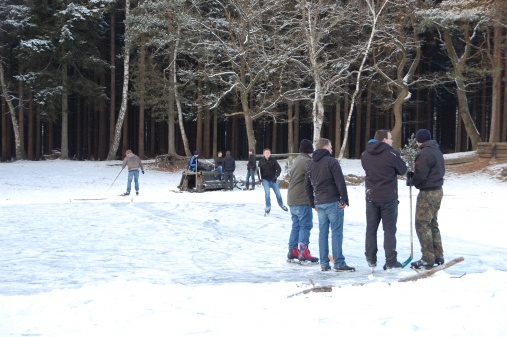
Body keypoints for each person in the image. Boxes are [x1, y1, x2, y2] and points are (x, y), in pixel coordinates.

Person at [305, 138, 354, 272]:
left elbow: (307, 186)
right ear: (326, 148)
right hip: (332, 202)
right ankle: (338, 262)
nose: (332, 150)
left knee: (323, 233)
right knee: (336, 232)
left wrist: (312, 202)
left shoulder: (311, 165)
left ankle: (324, 263)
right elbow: (340, 181)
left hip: (320, 203)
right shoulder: (332, 162)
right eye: (331, 147)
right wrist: (344, 199)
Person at [361, 130, 408, 270]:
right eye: (391, 139)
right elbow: (402, 169)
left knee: (371, 229)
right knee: (389, 230)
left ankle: (371, 259)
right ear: (384, 140)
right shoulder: (391, 154)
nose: (392, 141)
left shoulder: (365, 155)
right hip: (388, 197)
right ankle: (391, 261)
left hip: (371, 196)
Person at [407, 129, 445, 269]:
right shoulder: (436, 151)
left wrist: (413, 181)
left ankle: (428, 257)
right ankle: (438, 254)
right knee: (432, 223)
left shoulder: (424, 153)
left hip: (428, 192)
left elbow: (421, 175)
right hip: (438, 190)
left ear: (418, 140)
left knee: (422, 224)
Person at [287, 139, 318, 263]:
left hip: (292, 198)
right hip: (301, 199)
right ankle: (303, 251)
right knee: (305, 225)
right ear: (310, 151)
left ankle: (293, 250)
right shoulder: (307, 161)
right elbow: (314, 177)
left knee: (296, 226)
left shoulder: (297, 160)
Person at [258, 148, 288, 214]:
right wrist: (260, 178)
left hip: (273, 179)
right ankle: (268, 206)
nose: (267, 154)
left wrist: (275, 176)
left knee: (278, 193)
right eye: (266, 153)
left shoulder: (273, 160)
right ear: (263, 154)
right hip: (265, 179)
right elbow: (259, 171)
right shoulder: (261, 161)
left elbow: (279, 169)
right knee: (267, 193)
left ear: (270, 153)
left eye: (268, 153)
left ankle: (281, 204)